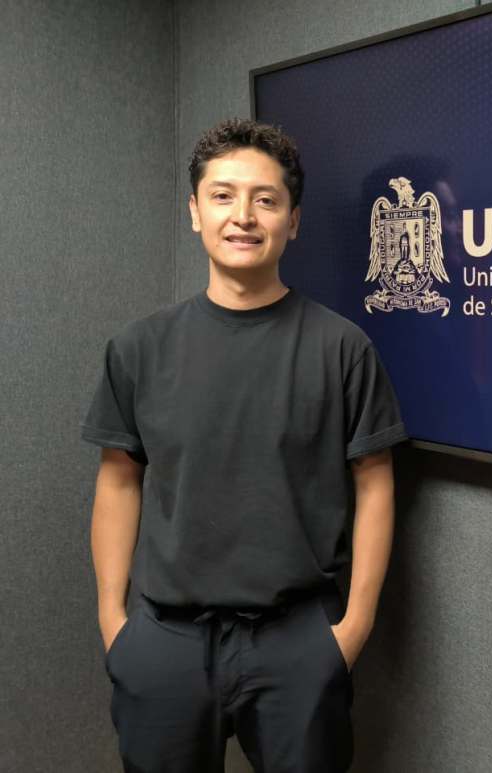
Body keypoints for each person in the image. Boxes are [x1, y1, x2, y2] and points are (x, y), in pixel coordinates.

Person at [79, 117, 408, 772]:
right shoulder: (140, 348)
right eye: (223, 195)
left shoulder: (342, 348)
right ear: (194, 212)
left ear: (294, 220)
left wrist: (352, 629)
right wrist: (114, 623)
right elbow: (118, 479)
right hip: (166, 641)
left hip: (297, 641)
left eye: (266, 199)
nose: (244, 216)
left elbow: (375, 482)